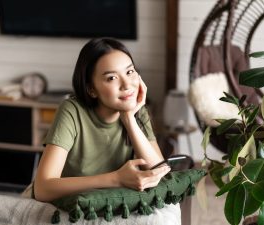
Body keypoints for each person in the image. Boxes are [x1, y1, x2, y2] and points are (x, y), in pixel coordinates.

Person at [34, 38, 170, 202]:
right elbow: (42, 189)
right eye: (112, 78)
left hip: (110, 203)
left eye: (129, 72)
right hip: (70, 204)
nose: (127, 85)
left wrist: (129, 119)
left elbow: (160, 175)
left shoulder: (137, 112)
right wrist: (116, 179)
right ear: (91, 89)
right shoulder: (72, 111)